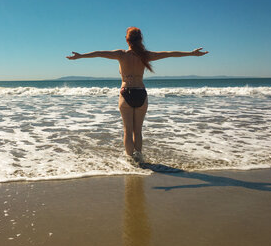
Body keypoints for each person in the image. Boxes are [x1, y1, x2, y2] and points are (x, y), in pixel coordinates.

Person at [66, 27, 208, 163]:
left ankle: (130, 162)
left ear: (127, 40)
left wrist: (80, 56)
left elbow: (98, 53)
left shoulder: (121, 54)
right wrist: (191, 53)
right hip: (141, 93)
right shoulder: (146, 55)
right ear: (140, 39)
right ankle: (139, 159)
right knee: (138, 131)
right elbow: (169, 53)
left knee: (128, 131)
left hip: (126, 93)